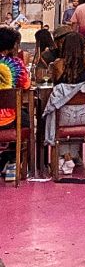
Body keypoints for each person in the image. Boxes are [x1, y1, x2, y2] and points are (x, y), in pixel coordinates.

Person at [49, 32, 85, 176]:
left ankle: (65, 157)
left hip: (63, 116)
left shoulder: (58, 64)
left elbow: (54, 87)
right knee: (76, 118)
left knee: (59, 116)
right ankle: (71, 157)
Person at [0, 26, 31, 184]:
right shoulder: (16, 64)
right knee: (27, 121)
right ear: (12, 46)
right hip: (8, 119)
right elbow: (26, 85)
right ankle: (12, 160)